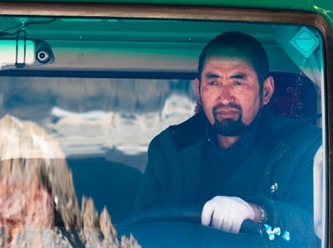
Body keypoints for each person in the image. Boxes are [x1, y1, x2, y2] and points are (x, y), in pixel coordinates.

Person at [135, 31, 321, 237]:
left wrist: (257, 213)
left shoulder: (304, 145)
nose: (224, 98)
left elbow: (319, 227)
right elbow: (142, 231)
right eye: (213, 83)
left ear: (266, 91)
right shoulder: (169, 148)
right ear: (199, 89)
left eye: (238, 82)